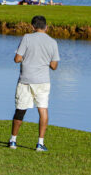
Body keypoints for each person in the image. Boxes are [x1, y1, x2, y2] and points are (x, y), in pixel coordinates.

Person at [9, 15, 60, 152]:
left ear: (33, 27)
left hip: (26, 80)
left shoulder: (26, 38)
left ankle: (13, 140)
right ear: (46, 27)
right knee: (43, 109)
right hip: (43, 81)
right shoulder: (52, 42)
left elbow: (17, 59)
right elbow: (54, 66)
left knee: (20, 110)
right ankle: (40, 143)